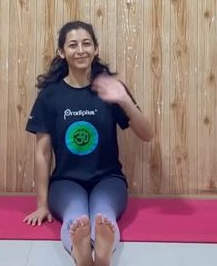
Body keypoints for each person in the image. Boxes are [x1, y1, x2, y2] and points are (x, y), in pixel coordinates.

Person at [24, 20, 153, 266]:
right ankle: (80, 252)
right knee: (76, 216)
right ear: (62, 52)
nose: (81, 50)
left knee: (104, 215)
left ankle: (103, 252)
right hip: (65, 181)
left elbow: (147, 134)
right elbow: (43, 152)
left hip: (109, 179)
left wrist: (124, 99)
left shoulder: (111, 89)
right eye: (73, 45)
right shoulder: (50, 95)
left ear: (95, 49)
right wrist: (41, 204)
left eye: (86, 43)